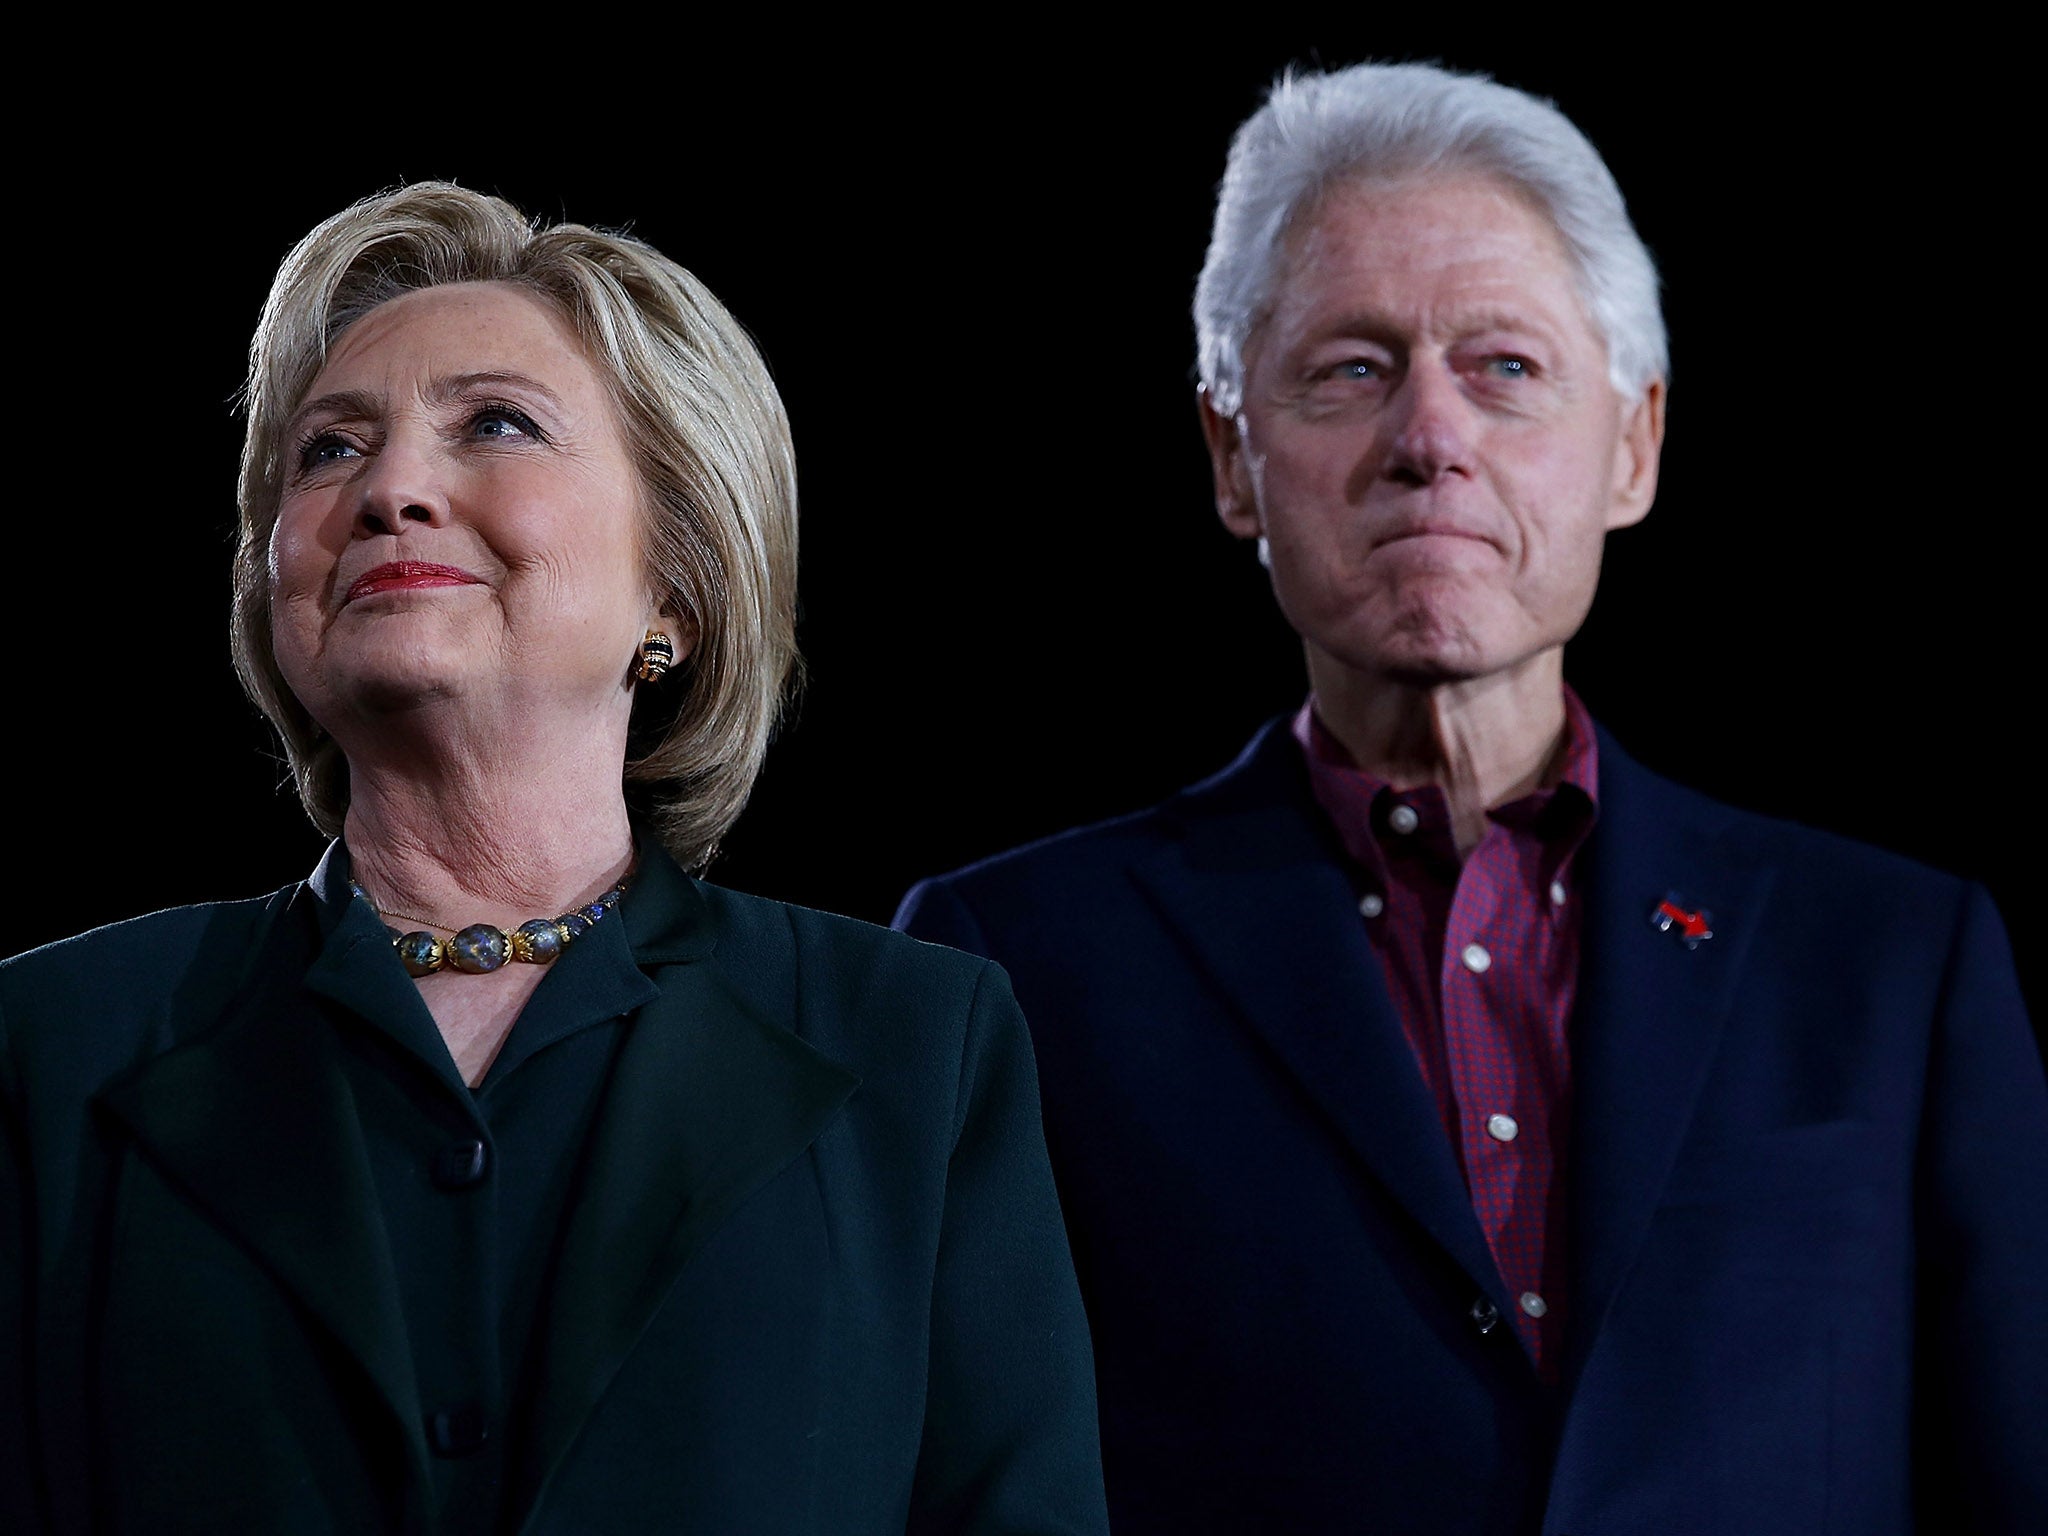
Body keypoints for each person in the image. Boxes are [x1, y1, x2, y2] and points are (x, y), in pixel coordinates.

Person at [894, 61, 2047, 1535]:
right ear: (1233, 458)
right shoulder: (1010, 963)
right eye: (1353, 369)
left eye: (1504, 368)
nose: (1431, 438)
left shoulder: (1894, 964)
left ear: (1631, 446)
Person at [0, 182, 1108, 1535]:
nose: (392, 490)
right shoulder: (50, 1043)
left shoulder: (919, 1050)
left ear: (679, 586)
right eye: (330, 451)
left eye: (497, 425)